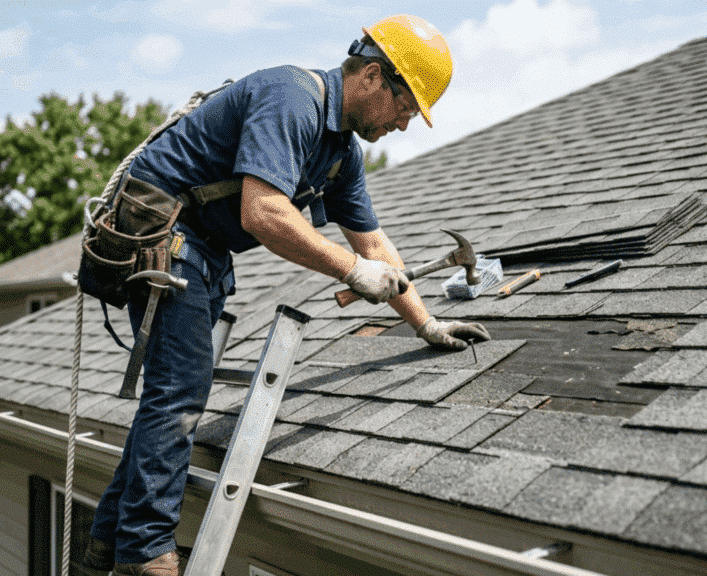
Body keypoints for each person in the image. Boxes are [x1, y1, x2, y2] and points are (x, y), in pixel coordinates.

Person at [84, 14, 491, 576]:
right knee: (179, 397)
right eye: (405, 106)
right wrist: (352, 271)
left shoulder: (342, 153)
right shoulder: (292, 98)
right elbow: (263, 213)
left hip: (199, 247)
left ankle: (106, 546)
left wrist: (426, 324)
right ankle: (147, 555)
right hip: (164, 232)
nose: (403, 123)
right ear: (373, 76)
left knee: (169, 397)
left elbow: (373, 243)